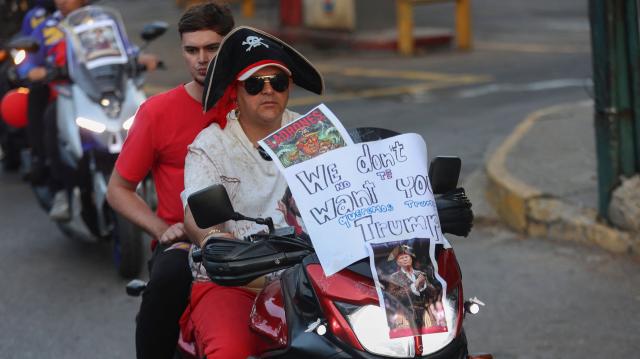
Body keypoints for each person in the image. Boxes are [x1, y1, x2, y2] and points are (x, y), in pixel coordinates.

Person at [180, 26, 323, 358]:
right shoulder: (212, 145)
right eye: (256, 84)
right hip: (235, 283)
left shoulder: (310, 134)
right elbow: (195, 210)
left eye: (279, 82)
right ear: (237, 90)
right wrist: (212, 239)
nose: (268, 91)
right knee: (230, 352)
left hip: (311, 279)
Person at [105, 3, 234, 358]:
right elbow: (118, 189)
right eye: (192, 50)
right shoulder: (157, 112)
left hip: (257, 237)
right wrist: (162, 229)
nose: (201, 59)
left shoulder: (252, 101)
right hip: (185, 243)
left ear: (231, 47)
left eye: (213, 48)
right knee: (166, 280)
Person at [18, 0, 159, 220]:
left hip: (106, 90)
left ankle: (157, 180)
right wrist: (32, 70)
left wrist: (142, 58)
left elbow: (126, 49)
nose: (62, 2)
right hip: (66, 95)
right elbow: (27, 62)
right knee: (50, 120)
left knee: (149, 116)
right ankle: (61, 192)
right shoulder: (46, 28)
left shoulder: (103, 22)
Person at [386, 244, 446, 332]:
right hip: (405, 315)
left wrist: (424, 285)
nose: (405, 259)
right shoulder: (394, 277)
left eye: (406, 256)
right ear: (397, 262)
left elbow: (434, 294)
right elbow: (394, 296)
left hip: (426, 314)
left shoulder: (420, 274)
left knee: (430, 338)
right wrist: (414, 285)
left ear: (411, 258)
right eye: (401, 258)